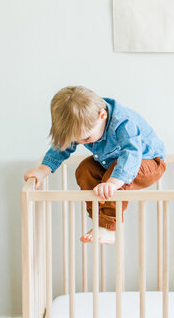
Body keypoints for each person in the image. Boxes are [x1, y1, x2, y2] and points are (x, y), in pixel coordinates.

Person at [24, 86, 166, 244]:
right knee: (85, 169)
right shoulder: (86, 121)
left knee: (117, 169)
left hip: (149, 162)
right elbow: (61, 147)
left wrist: (113, 182)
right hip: (114, 163)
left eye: (85, 138)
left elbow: (132, 151)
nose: (80, 143)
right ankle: (99, 222)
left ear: (102, 115)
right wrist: (43, 170)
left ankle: (109, 227)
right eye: (76, 140)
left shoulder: (122, 121)